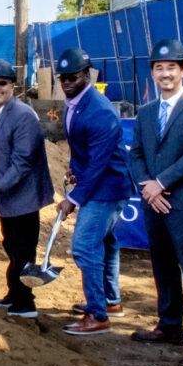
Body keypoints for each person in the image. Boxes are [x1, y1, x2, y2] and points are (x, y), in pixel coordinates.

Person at [129, 39, 183, 366]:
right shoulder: (147, 112)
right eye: (158, 68)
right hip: (154, 202)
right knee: (162, 268)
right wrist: (149, 189)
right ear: (152, 73)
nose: (164, 73)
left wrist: (161, 184)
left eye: (171, 67)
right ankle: (169, 327)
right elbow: (136, 154)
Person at [55, 47, 133, 336]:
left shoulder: (100, 112)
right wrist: (77, 167)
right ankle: (111, 301)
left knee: (84, 246)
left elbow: (99, 164)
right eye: (62, 78)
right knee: (108, 243)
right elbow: (84, 150)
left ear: (86, 75)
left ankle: (98, 315)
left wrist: (73, 199)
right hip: (99, 181)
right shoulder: (75, 102)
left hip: (107, 188)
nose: (66, 83)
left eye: (72, 77)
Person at [0, 59, 54, 319]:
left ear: (13, 85)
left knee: (23, 249)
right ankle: (14, 295)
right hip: (7, 196)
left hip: (24, 195)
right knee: (11, 246)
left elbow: (22, 162)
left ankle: (25, 303)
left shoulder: (23, 115)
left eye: (3, 83)